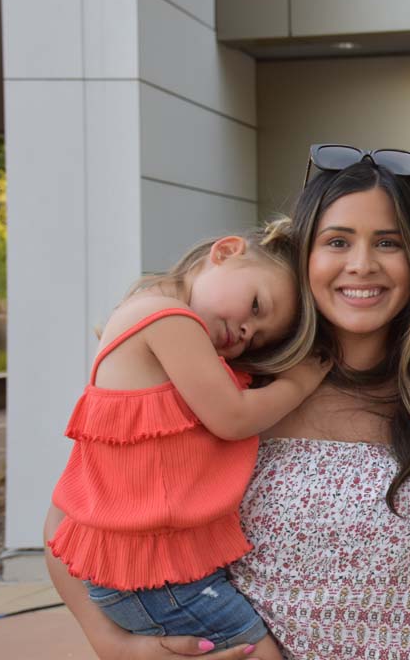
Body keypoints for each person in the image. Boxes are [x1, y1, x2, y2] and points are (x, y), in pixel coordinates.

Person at [45, 150, 410, 660]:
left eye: (389, 243)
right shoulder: (227, 388)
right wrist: (114, 645)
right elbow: (70, 524)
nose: (362, 264)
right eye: (337, 241)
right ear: (303, 255)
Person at [46, 220, 328, 660]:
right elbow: (233, 418)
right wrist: (301, 383)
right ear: (226, 251)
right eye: (256, 305)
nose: (247, 332)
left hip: (148, 579)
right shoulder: (167, 318)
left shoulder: (151, 323)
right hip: (158, 581)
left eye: (258, 336)